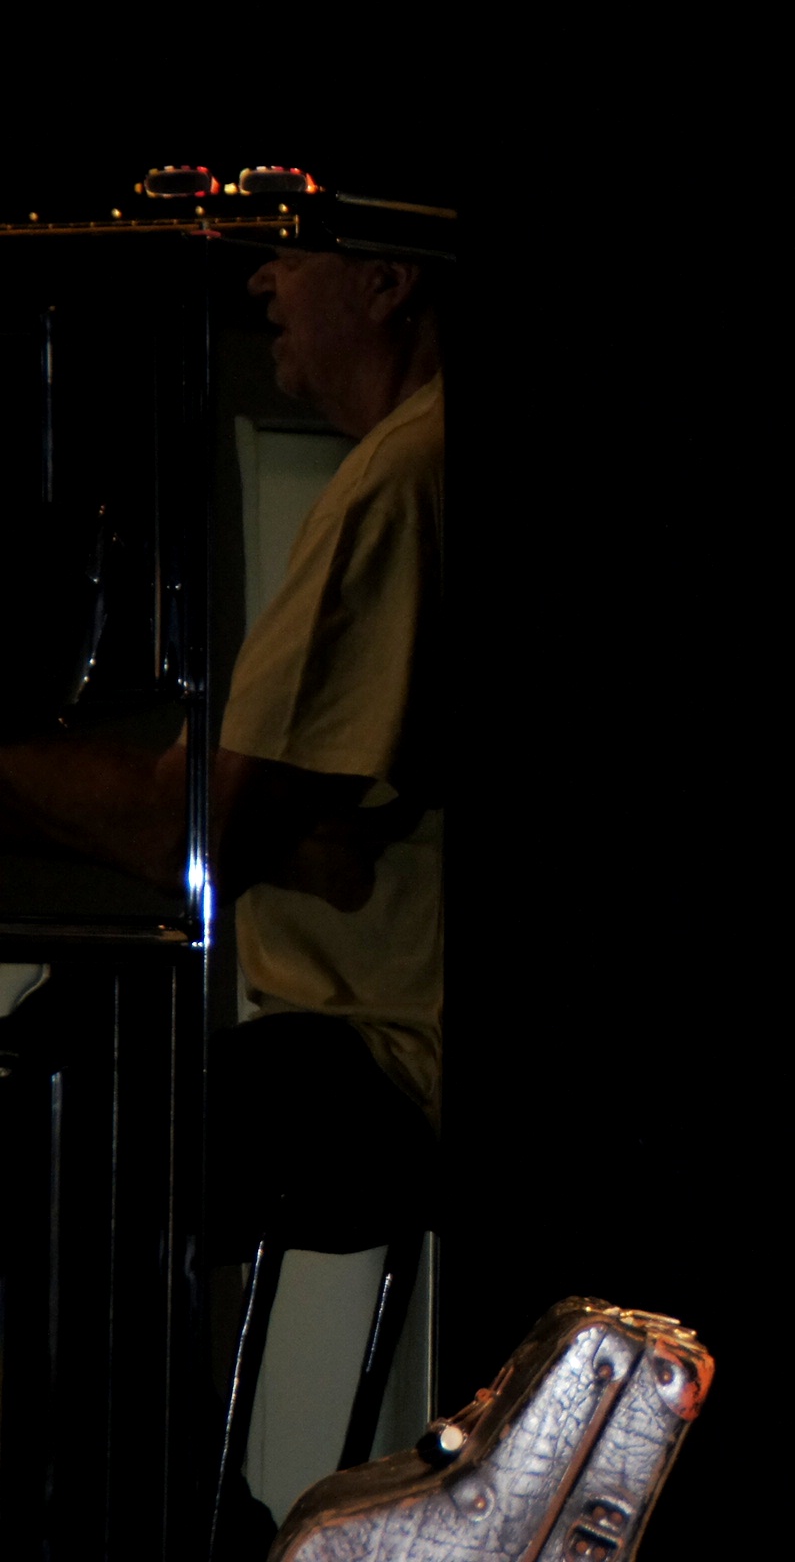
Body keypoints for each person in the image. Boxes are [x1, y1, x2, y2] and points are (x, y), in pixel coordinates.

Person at [0, 227, 444, 1549]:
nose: (258, 279)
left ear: (390, 278)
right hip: (379, 1041)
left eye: (293, 255)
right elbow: (316, 830)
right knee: (66, 1076)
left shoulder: (404, 475)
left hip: (394, 1063)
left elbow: (198, 830)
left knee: (58, 1142)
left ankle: (177, 1533)